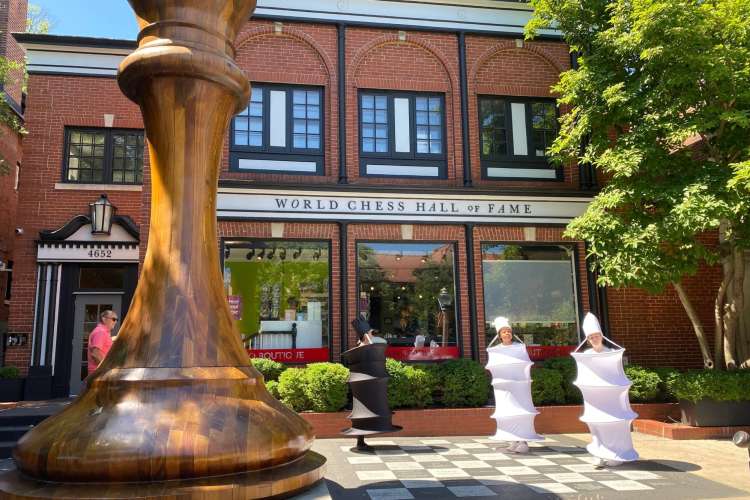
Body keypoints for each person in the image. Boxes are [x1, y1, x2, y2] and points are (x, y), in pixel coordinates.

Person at [491, 316, 533, 454]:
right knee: (508, 411)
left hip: (519, 386)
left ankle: (523, 441)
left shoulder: (519, 347)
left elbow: (525, 365)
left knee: (519, 411)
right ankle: (513, 439)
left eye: (508, 331)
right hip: (505, 388)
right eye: (504, 332)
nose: (507, 334)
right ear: (499, 335)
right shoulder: (496, 349)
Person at [87, 309, 118, 375]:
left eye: (116, 320)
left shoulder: (103, 332)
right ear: (104, 319)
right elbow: (96, 354)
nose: (115, 322)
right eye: (113, 319)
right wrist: (107, 369)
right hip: (99, 374)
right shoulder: (101, 332)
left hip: (100, 373)